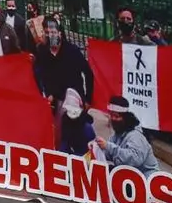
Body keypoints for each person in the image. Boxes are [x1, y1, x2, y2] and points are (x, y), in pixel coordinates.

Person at [34, 16, 94, 149]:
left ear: (60, 33)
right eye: (48, 32)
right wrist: (46, 93)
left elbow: (88, 74)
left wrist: (88, 99)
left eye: (54, 32)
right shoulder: (42, 52)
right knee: (57, 136)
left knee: (78, 133)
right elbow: (39, 74)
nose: (51, 35)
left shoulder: (72, 51)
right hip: (55, 101)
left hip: (73, 100)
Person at [96, 95, 161, 176]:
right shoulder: (117, 135)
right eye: (111, 115)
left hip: (146, 180)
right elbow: (110, 153)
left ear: (125, 118)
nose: (113, 119)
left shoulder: (135, 135)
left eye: (116, 116)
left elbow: (134, 160)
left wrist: (108, 147)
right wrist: (97, 149)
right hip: (130, 176)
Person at [58, 88, 97, 157]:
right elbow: (64, 142)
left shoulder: (87, 127)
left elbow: (91, 150)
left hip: (84, 156)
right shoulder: (65, 121)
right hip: (70, 155)